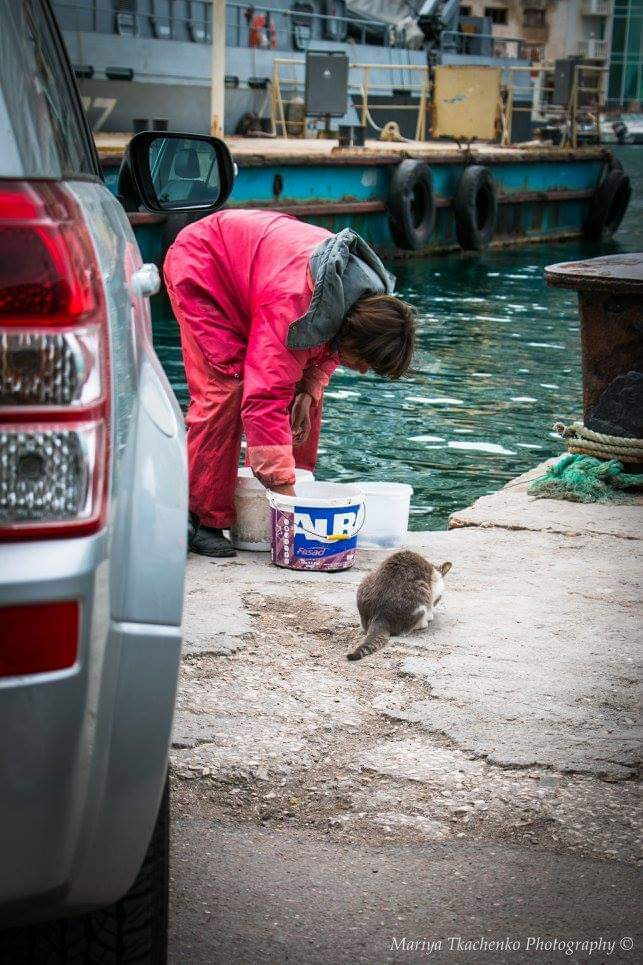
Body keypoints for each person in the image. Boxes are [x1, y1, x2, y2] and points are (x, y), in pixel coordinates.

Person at [164, 209, 416, 557]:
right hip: (204, 267)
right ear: (355, 338)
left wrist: (309, 388)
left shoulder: (354, 300)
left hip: (257, 274)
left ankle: (292, 485)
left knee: (303, 397)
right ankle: (201, 516)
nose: (360, 371)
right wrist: (290, 503)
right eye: (365, 363)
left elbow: (328, 349)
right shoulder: (294, 305)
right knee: (229, 385)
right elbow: (263, 399)